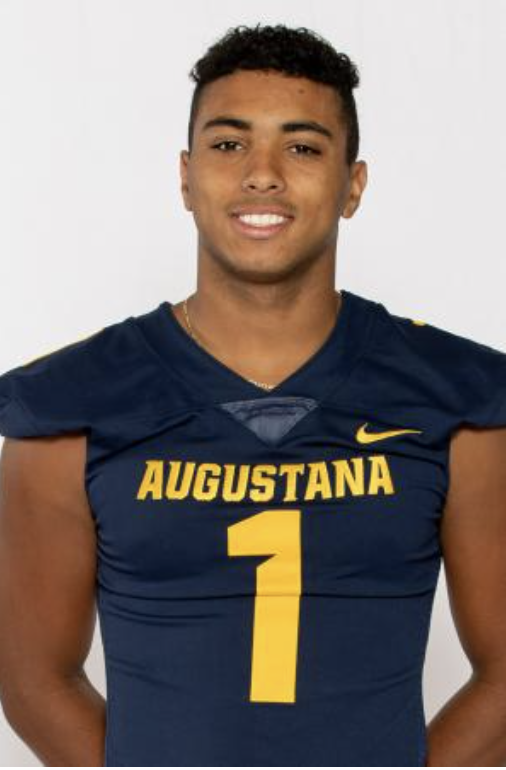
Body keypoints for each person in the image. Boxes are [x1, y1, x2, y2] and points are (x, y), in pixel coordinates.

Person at [1, 23, 506, 768]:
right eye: (229, 143)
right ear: (185, 176)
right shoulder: (67, 404)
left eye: (302, 147)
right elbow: (32, 681)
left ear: (353, 184)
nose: (262, 174)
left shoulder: (462, 398)